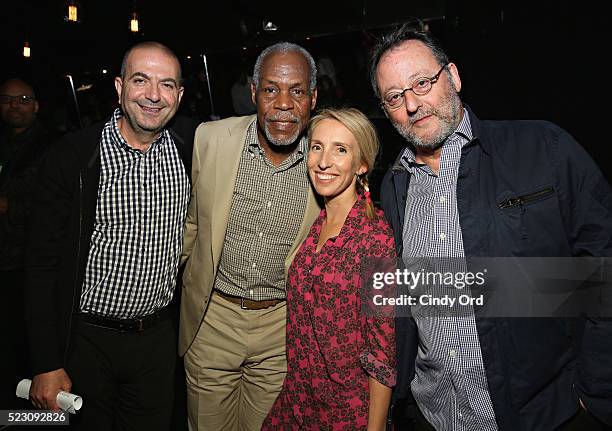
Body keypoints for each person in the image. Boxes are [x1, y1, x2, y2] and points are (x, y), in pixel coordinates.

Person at [371, 25, 612, 430]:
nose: (413, 104)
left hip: (546, 415)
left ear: (454, 76)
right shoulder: (394, 185)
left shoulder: (540, 147)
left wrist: (595, 393)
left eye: (423, 83)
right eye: (395, 97)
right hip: (434, 416)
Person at [25, 41, 196, 430]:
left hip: (157, 340)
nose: (154, 95)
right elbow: (40, 266)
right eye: (141, 81)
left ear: (180, 95)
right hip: (86, 341)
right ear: (119, 87)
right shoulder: (74, 156)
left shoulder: (189, 147)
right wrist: (47, 363)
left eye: (167, 85)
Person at [179, 41, 320, 431]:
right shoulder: (211, 139)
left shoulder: (325, 159)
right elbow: (192, 225)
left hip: (280, 328)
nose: (284, 104)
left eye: (297, 91)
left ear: (312, 97)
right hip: (213, 320)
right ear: (254, 92)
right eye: (271, 89)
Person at [262, 107, 396, 430]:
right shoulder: (316, 221)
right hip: (296, 403)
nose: (323, 161)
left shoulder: (375, 238)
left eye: (341, 150)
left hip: (343, 415)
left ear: (361, 164)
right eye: (317, 147)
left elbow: (381, 355)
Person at [0, 77, 50, 408]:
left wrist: (9, 206)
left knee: (24, 346)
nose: (14, 105)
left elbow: (53, 206)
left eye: (22, 99)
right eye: (7, 99)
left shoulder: (51, 147)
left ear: (35, 105)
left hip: (28, 262)